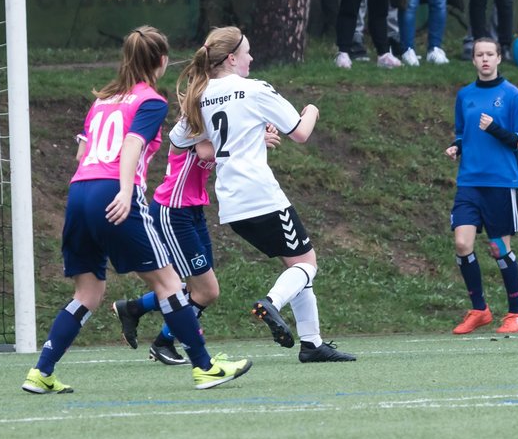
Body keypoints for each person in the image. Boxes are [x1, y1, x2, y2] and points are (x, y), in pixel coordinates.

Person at [23, 26, 250, 393]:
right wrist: (127, 190)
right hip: (113, 191)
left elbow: (84, 152)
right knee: (169, 284)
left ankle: (41, 371)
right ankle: (205, 367)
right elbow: (131, 143)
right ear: (161, 61)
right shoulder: (151, 101)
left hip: (79, 192)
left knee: (88, 293)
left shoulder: (101, 101)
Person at [172, 26, 356, 363]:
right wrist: (312, 109)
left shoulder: (199, 94)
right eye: (247, 52)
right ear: (231, 58)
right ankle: (271, 302)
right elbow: (300, 133)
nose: (251, 58)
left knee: (295, 265)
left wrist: (249, 138)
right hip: (260, 193)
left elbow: (189, 144)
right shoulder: (254, 90)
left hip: (230, 201)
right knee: (307, 264)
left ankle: (312, 344)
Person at [110, 121, 281, 365]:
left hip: (193, 210)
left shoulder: (218, 112)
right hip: (173, 211)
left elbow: (232, 134)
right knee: (206, 290)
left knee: (198, 287)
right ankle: (163, 342)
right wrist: (253, 140)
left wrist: (259, 128)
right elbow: (205, 151)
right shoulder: (195, 117)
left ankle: (135, 308)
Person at [445, 39, 518, 334]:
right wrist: (457, 147)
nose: (485, 59)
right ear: (473, 60)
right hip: (469, 181)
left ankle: (516, 313)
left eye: (490, 54)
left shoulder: (511, 95)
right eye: (479, 55)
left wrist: (494, 128)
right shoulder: (464, 95)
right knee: (462, 244)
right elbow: (462, 132)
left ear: (498, 58)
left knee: (498, 248)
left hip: (500, 181)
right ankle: (479, 309)